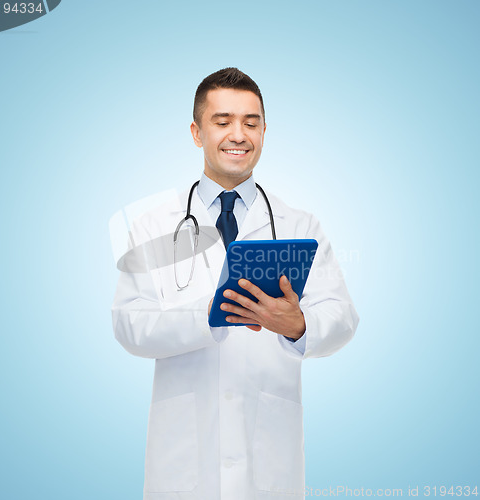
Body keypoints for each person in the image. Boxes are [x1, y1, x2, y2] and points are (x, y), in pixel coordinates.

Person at [111, 67, 359, 500]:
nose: (238, 135)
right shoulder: (154, 226)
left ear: (264, 131)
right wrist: (209, 315)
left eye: (251, 122)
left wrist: (299, 325)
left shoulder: (300, 224)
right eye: (222, 121)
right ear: (197, 131)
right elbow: (129, 324)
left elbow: (342, 318)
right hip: (183, 459)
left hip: (268, 455)